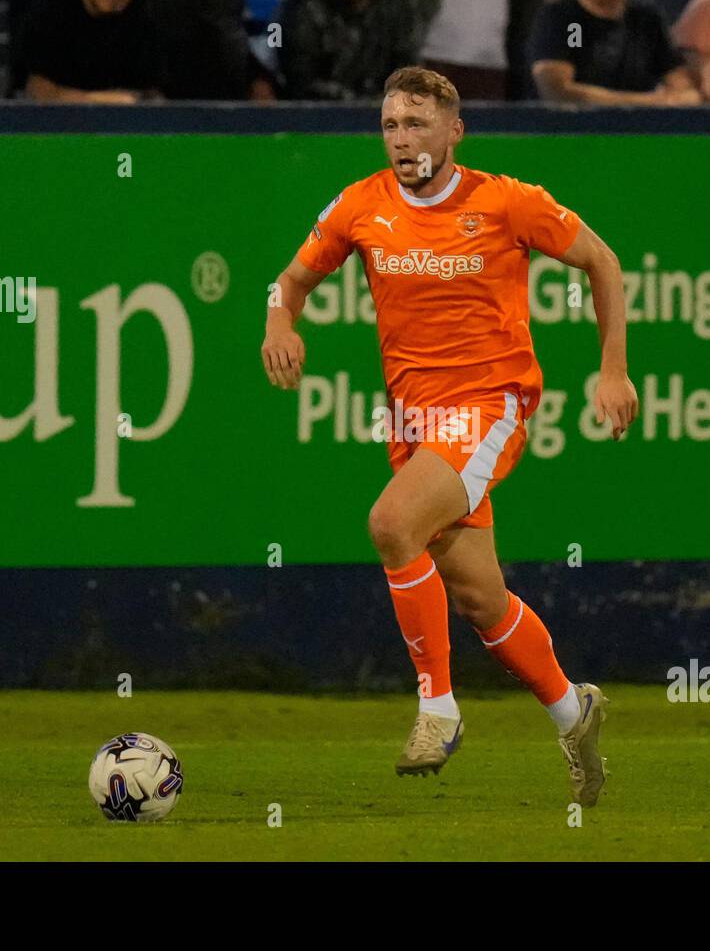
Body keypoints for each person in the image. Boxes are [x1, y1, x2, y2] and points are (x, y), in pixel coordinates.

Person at [260, 66, 637, 805]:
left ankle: (438, 708)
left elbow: (603, 261)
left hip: (491, 406)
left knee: (391, 522)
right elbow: (291, 281)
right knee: (479, 599)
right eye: (392, 126)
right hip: (414, 423)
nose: (402, 140)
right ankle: (574, 709)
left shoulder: (505, 202)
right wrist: (280, 321)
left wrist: (613, 370)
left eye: (417, 124)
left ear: (454, 131)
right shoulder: (360, 206)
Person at [528, 0, 701, 104]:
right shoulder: (567, 20)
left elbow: (684, 87)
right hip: (574, 138)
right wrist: (646, 102)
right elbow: (558, 91)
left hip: (636, 138)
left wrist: (678, 97)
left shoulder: (646, 19)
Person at [278, 0, 425, 100]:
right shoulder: (303, 9)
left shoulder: (399, 5)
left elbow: (408, 69)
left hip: (385, 111)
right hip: (315, 117)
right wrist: (356, 100)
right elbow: (301, 81)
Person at [23, 0, 161, 103]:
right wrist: (96, 100)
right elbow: (39, 94)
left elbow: (152, 94)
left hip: (124, 126)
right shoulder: (49, 10)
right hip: (59, 126)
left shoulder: (145, 14)